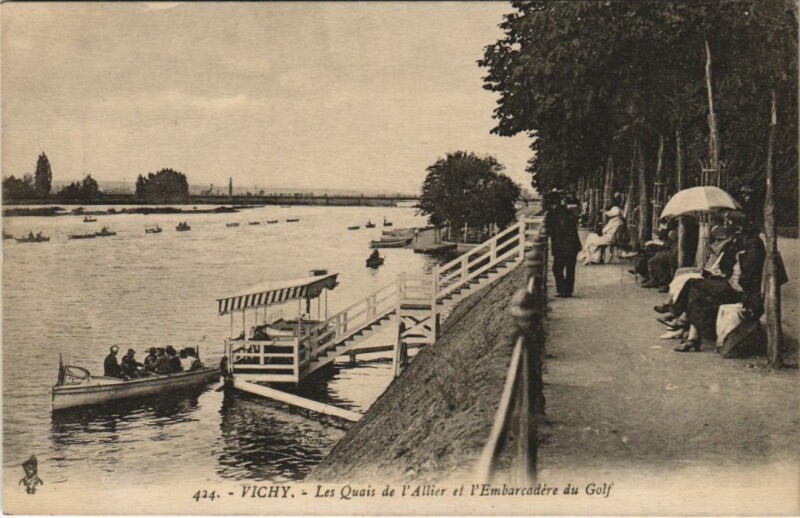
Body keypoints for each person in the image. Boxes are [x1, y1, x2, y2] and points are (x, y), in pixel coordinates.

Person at [668, 221, 765, 352]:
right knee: (695, 290)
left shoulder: (754, 245)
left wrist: (733, 271)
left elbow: (749, 275)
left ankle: (684, 321)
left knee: (696, 288)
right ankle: (691, 335)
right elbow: (727, 264)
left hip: (740, 291)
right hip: (731, 285)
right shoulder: (742, 242)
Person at [545, 192, 582, 297]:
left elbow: (550, 229)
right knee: (570, 268)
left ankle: (561, 290)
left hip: (561, 246)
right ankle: (568, 291)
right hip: (573, 245)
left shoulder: (552, 214)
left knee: (557, 268)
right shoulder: (567, 212)